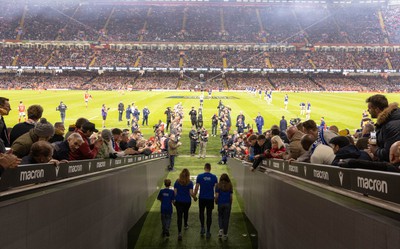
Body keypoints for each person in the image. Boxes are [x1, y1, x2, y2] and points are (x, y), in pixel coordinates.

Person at [366, 94, 400, 162]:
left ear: (377, 109)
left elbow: (389, 154)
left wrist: (375, 150)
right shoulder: (385, 122)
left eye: (370, 108)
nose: (368, 110)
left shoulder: (390, 126)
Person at [194, 163, 218, 238]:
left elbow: (196, 187)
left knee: (201, 212)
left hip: (202, 198)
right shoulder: (214, 177)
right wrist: (216, 197)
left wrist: (194, 196)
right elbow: (216, 189)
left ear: (204, 168)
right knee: (209, 214)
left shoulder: (200, 176)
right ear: (210, 168)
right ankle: (208, 231)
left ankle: (202, 227)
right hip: (210, 198)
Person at [174, 168, 197, 241]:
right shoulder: (190, 183)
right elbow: (191, 193)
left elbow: (175, 193)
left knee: (179, 216)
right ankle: (185, 224)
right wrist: (195, 197)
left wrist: (174, 200)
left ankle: (179, 233)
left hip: (178, 201)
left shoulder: (177, 182)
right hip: (187, 201)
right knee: (186, 212)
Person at [215, 173, 233, 241]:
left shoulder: (218, 185)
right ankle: (225, 234)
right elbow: (231, 197)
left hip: (220, 203)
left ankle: (221, 230)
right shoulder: (230, 185)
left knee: (220, 216)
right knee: (226, 219)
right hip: (227, 203)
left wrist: (216, 201)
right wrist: (230, 204)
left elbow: (217, 196)